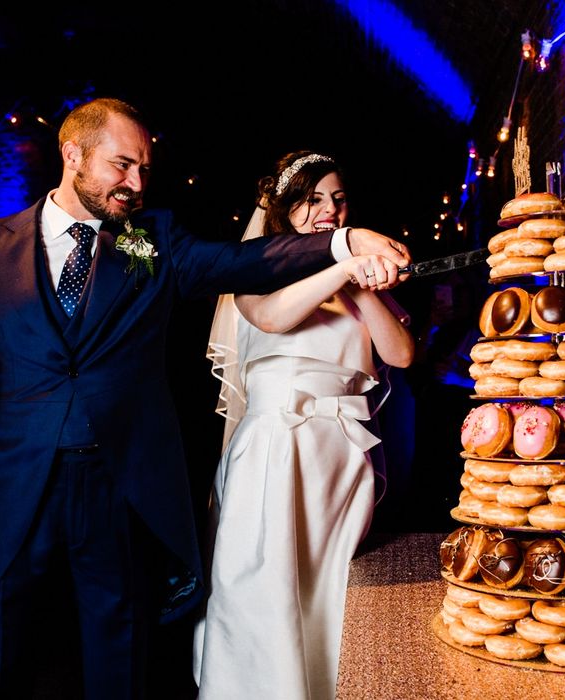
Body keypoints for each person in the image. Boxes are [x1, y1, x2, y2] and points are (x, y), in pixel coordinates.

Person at [0, 99, 411, 699]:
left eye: (145, 170)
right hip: (11, 490)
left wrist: (343, 245)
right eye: (122, 166)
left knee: (119, 656)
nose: (136, 184)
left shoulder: (153, 239)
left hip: (117, 487)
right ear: (72, 154)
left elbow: (249, 259)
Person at [192, 151, 415, 699]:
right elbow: (271, 317)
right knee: (262, 594)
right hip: (276, 450)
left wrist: (361, 286)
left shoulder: (357, 284)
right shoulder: (253, 270)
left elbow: (402, 354)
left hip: (342, 457)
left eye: (337, 200)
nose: (328, 211)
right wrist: (341, 265)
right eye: (313, 200)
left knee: (331, 595)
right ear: (285, 209)